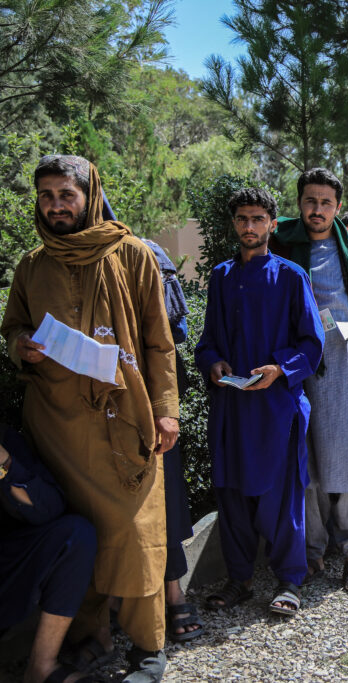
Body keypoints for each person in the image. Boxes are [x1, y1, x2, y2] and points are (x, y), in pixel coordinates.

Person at [1, 155, 179, 680]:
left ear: (90, 195)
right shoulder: (32, 265)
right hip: (57, 429)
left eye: (66, 195)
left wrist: (167, 411)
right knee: (83, 535)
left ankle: (148, 647)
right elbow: (12, 327)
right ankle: (90, 636)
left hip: (125, 423)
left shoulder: (132, 255)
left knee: (135, 534)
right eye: (46, 196)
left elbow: (159, 342)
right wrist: (21, 347)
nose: (55, 205)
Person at [196, 188, 324, 616]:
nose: (248, 226)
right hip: (231, 407)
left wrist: (280, 369)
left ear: (272, 222)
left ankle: (290, 579)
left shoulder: (291, 276)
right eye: (241, 219)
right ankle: (240, 579)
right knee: (231, 491)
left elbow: (312, 343)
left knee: (282, 494)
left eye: (257, 219)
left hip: (276, 408)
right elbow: (207, 341)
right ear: (234, 223)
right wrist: (213, 363)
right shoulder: (221, 275)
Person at [268, 168, 348, 588]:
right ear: (299, 203)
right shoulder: (280, 243)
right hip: (296, 368)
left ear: (338, 207)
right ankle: (312, 550)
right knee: (307, 461)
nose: (317, 210)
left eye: (325, 203)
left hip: (347, 367)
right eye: (310, 201)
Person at [1, 425, 97, 683]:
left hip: (8, 575)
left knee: (76, 535)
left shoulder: (6, 439)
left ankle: (42, 667)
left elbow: (50, 508)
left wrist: (4, 464)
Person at [141, 238, 203, 643]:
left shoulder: (141, 253)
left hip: (152, 390)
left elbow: (168, 337)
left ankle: (173, 592)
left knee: (164, 496)